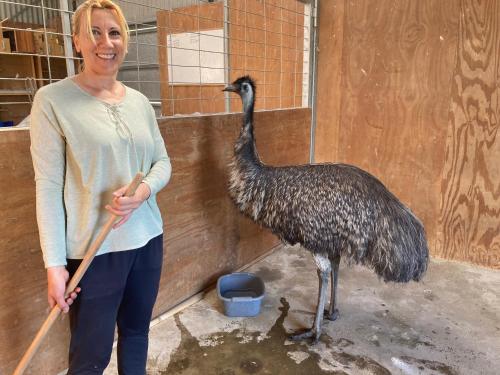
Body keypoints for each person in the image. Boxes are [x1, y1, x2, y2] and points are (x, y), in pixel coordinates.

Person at [29, 0, 172, 373]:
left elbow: (163, 164)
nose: (105, 42)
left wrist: (142, 194)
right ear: (76, 40)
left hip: (148, 241)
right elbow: (47, 188)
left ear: (124, 40)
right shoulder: (52, 101)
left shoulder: (140, 102)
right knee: (90, 355)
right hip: (94, 251)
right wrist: (54, 264)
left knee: (137, 332)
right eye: (93, 31)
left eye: (114, 32)